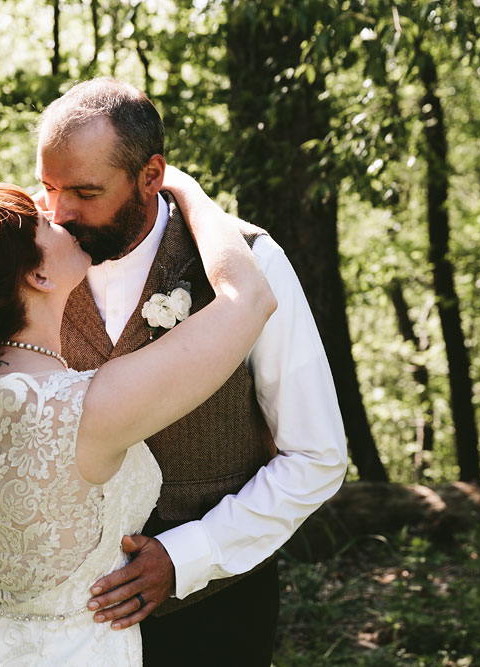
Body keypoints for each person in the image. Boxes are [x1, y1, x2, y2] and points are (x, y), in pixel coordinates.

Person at [24, 77, 348, 665]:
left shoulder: (253, 263)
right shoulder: (22, 261)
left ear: (152, 176)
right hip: (59, 621)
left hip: (215, 615)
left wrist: (188, 555)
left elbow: (317, 456)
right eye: (48, 188)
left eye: (85, 192)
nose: (60, 212)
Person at [0, 171, 276, 665]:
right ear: (36, 276)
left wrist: (12, 223)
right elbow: (249, 299)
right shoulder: (87, 410)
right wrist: (186, 191)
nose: (59, 213)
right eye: (44, 218)